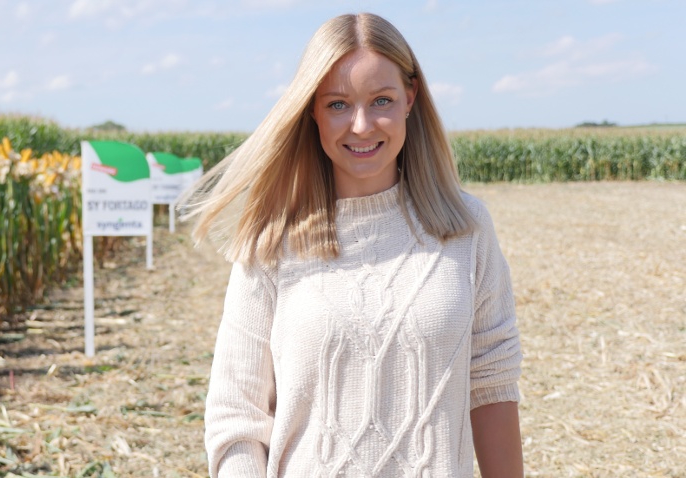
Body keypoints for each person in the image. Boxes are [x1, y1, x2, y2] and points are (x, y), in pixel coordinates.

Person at [183, 13, 524, 478]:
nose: (361, 125)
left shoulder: (467, 230)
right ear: (312, 111)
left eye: (381, 100)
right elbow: (236, 417)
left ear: (410, 98)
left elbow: (492, 387)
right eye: (338, 104)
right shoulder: (271, 244)